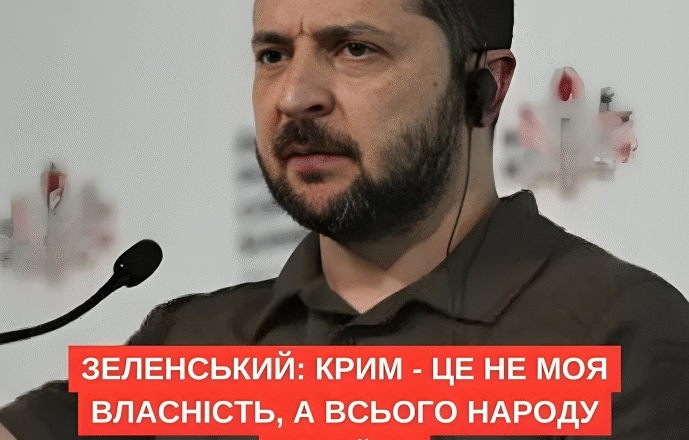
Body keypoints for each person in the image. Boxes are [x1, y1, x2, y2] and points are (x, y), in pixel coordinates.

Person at [1, 0, 688, 438]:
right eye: (273, 55)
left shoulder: (617, 332)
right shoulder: (185, 342)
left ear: (484, 88)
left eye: (355, 48)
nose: (294, 95)